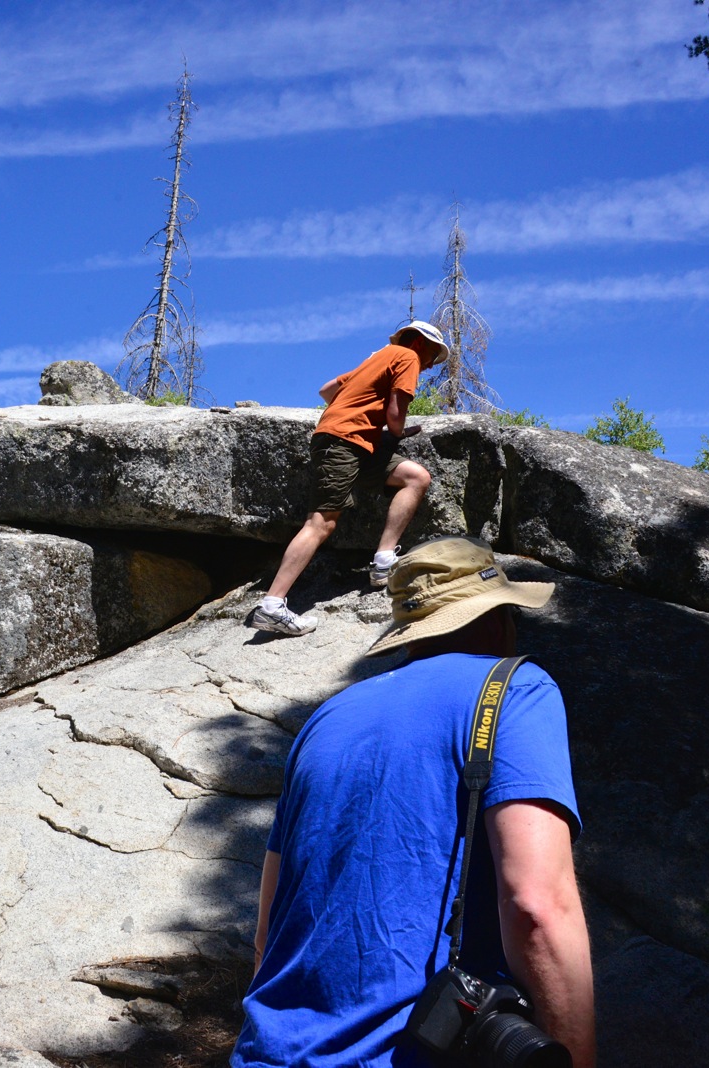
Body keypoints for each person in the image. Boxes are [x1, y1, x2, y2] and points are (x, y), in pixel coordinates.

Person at [233, 536, 597, 1067]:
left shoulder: (328, 717)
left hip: (267, 1051)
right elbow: (536, 905)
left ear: (411, 634)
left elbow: (269, 927)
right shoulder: (516, 689)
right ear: (498, 621)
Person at [251, 322, 448, 637]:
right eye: (432, 357)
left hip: (354, 444)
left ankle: (383, 560)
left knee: (415, 477)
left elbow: (327, 390)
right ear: (423, 345)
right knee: (321, 523)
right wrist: (397, 433)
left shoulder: (376, 359)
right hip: (343, 443)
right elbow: (397, 415)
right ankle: (272, 606)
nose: (427, 365)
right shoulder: (408, 357)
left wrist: (361, 413)